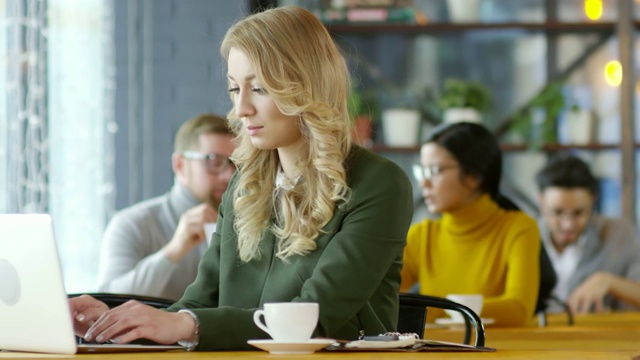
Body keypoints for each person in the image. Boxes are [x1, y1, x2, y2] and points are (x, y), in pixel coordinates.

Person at [70, 6, 414, 351]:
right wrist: (116, 323)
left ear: (307, 88)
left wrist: (182, 323)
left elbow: (314, 318)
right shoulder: (245, 185)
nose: (241, 108)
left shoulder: (379, 184)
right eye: (235, 89)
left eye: (260, 88)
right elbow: (199, 308)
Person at [400, 122, 540, 327]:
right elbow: (387, 300)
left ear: (473, 175)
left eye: (435, 171)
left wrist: (432, 309)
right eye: (422, 171)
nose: (423, 183)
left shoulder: (518, 228)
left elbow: (518, 310)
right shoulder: (422, 235)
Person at [96, 114, 235, 301]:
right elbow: (107, 300)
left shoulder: (247, 225)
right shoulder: (132, 224)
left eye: (235, 163)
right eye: (214, 162)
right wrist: (174, 251)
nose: (228, 175)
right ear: (180, 165)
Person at [536, 154, 640, 314]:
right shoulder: (524, 235)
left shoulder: (619, 234)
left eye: (578, 213)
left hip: (599, 335)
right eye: (557, 212)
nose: (568, 224)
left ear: (593, 200)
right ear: (541, 202)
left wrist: (609, 282)